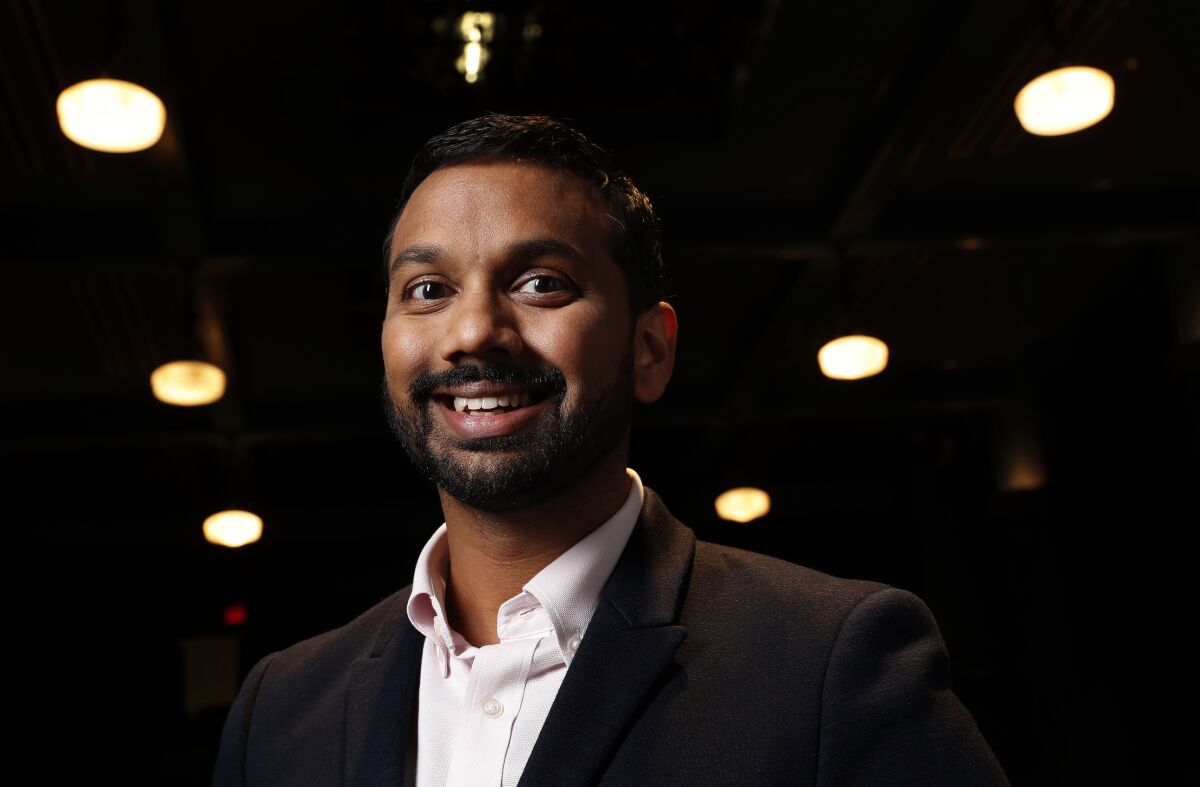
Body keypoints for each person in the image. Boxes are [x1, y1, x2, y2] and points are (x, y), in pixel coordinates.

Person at [214, 114, 1009, 786]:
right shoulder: (280, 710)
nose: (472, 332)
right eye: (428, 289)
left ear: (650, 350)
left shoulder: (836, 663)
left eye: (541, 283)